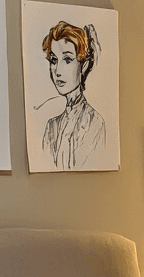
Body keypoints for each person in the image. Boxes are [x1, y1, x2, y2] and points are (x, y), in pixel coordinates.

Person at [41, 21, 106, 169]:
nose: (57, 71)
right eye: (53, 60)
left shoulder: (95, 122)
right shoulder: (52, 126)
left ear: (83, 66)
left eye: (67, 60)